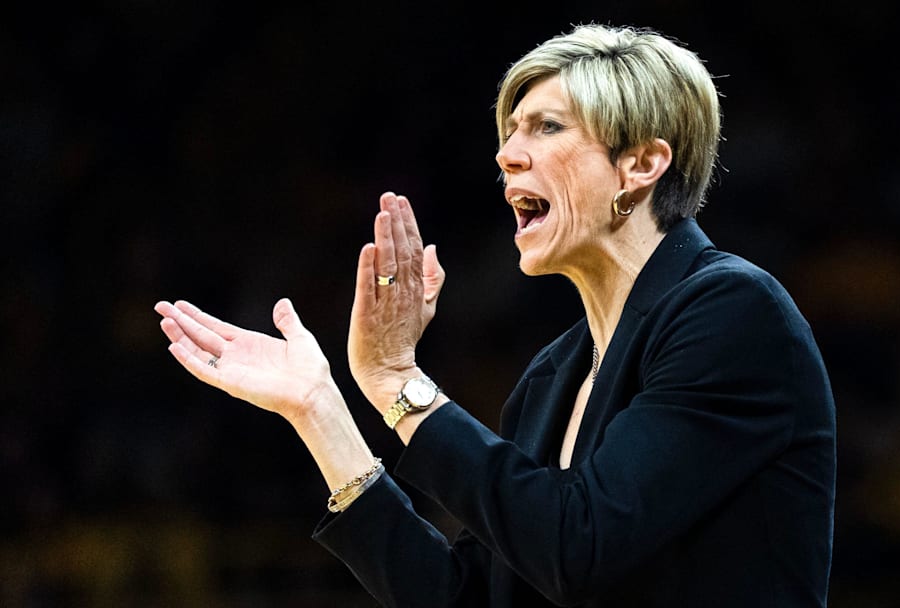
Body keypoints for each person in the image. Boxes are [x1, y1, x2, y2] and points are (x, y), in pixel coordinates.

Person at [155, 23, 836, 607]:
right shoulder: (551, 377)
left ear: (640, 164)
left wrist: (396, 382)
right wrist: (322, 412)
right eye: (510, 132)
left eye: (546, 127)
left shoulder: (733, 314)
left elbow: (579, 547)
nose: (507, 154)